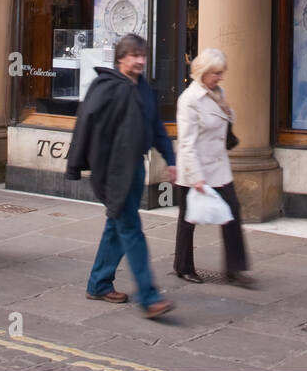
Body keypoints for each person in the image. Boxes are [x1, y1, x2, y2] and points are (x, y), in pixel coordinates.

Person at [66, 33, 176, 319]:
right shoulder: (106, 87)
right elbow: (84, 126)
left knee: (116, 226)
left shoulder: (144, 90)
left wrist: (171, 161)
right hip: (113, 171)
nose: (140, 60)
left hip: (135, 167)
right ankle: (149, 297)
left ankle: (99, 283)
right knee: (131, 229)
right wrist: (75, 165)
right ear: (120, 59)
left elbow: (156, 128)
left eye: (143, 55)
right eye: (134, 55)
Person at [173, 48, 253, 287]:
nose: (220, 77)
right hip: (195, 167)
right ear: (203, 72)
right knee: (188, 220)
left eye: (221, 72)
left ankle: (234, 269)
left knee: (232, 212)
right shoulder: (189, 100)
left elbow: (223, 125)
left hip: (218, 166)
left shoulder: (219, 93)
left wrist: (229, 112)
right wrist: (196, 178)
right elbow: (186, 142)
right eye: (216, 73)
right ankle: (183, 267)